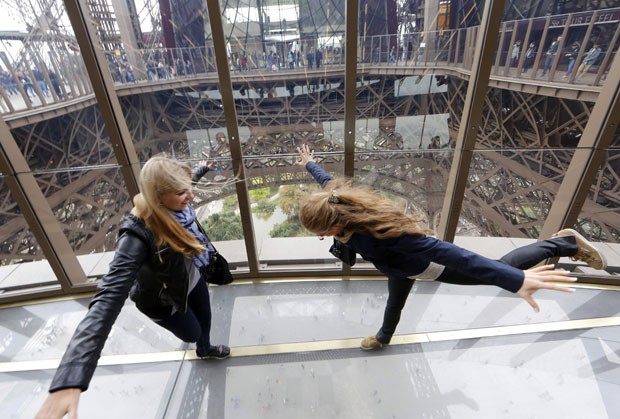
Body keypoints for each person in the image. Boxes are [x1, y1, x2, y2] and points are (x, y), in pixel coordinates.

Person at [295, 144, 606, 350]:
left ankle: (562, 243)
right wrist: (309, 163)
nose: (321, 237)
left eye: (321, 232)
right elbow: (328, 185)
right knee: (394, 304)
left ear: (334, 225)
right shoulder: (336, 204)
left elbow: (455, 255)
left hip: (424, 266)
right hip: (398, 268)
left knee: (503, 267)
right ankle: (384, 337)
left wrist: (518, 281)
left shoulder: (384, 233)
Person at [35, 156, 231, 419]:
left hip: (190, 279)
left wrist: (202, 169)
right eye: (182, 191)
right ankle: (199, 343)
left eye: (188, 188)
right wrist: (71, 376)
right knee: (193, 332)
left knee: (205, 322)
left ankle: (205, 350)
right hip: (162, 300)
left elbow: (184, 185)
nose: (191, 195)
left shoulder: (176, 208)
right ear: (159, 197)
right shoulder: (138, 233)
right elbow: (108, 297)